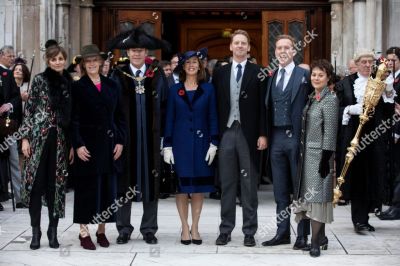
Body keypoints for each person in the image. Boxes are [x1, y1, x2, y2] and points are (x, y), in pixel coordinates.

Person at [109, 25, 169, 245]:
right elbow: (112, 109)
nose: (136, 53)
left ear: (147, 53)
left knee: (151, 181)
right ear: (127, 52)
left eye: (141, 50)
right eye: (132, 50)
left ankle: (149, 228)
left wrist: (165, 137)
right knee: (124, 182)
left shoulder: (157, 74)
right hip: (127, 139)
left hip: (151, 138)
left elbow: (165, 104)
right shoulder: (118, 74)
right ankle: (124, 228)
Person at [213, 29, 267, 247]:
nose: (240, 46)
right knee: (226, 184)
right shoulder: (220, 73)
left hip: (249, 134)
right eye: (236, 43)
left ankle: (249, 232)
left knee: (249, 183)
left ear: (248, 47)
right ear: (231, 46)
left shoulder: (259, 72)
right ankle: (225, 229)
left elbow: (264, 106)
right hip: (227, 132)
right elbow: (215, 105)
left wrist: (263, 133)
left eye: (244, 43)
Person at [71, 44, 126, 250]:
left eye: (95, 60)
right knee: (86, 189)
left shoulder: (112, 85)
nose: (92, 64)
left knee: (106, 189)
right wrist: (77, 145)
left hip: (109, 144)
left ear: (101, 62)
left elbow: (120, 116)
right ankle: (84, 232)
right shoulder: (77, 87)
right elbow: (74, 119)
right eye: (88, 61)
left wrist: (120, 140)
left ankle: (101, 231)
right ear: (84, 64)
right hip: (87, 145)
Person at [20, 40, 73, 249]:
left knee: (56, 187)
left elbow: (71, 116)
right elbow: (30, 109)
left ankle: (53, 230)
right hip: (38, 139)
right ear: (48, 61)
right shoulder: (40, 80)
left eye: (61, 59)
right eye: (54, 59)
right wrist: (24, 138)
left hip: (60, 141)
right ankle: (36, 231)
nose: (58, 62)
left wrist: (70, 145)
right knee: (35, 186)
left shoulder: (69, 83)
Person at [335, 50, 395, 232]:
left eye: (371, 62)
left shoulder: (380, 81)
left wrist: (390, 92)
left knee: (372, 176)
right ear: (357, 63)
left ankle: (366, 216)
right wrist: (350, 110)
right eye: (364, 62)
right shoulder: (345, 83)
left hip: (375, 136)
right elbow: (337, 109)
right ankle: (358, 220)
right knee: (359, 177)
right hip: (354, 136)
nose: (368, 65)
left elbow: (388, 111)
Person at [163, 48, 218, 245]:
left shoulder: (208, 89)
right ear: (183, 67)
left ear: (200, 65)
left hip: (202, 145)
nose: (192, 65)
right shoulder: (174, 90)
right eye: (187, 63)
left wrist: (214, 142)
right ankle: (184, 228)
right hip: (180, 145)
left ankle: (195, 227)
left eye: (195, 62)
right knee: (181, 189)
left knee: (197, 189)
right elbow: (169, 118)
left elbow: (213, 116)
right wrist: (167, 145)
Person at [262, 34, 311, 249]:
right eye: (279, 48)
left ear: (294, 51)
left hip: (297, 137)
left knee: (299, 189)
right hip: (276, 138)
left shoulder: (304, 75)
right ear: (275, 52)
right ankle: (282, 233)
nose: (282, 51)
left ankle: (302, 235)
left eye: (287, 48)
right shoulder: (271, 76)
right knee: (280, 190)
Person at [292, 59, 339, 257]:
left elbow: (330, 132)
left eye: (321, 75)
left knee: (318, 200)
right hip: (307, 156)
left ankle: (315, 242)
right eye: (314, 74)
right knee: (310, 198)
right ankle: (322, 238)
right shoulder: (313, 97)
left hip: (320, 156)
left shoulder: (330, 99)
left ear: (328, 78)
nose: (316, 78)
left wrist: (325, 159)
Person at [0, 45, 21, 211]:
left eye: (13, 55)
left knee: (14, 159)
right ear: (1, 55)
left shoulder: (10, 75)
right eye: (9, 55)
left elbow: (16, 98)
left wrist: (9, 104)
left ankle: (19, 196)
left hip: (7, 125)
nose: (12, 58)